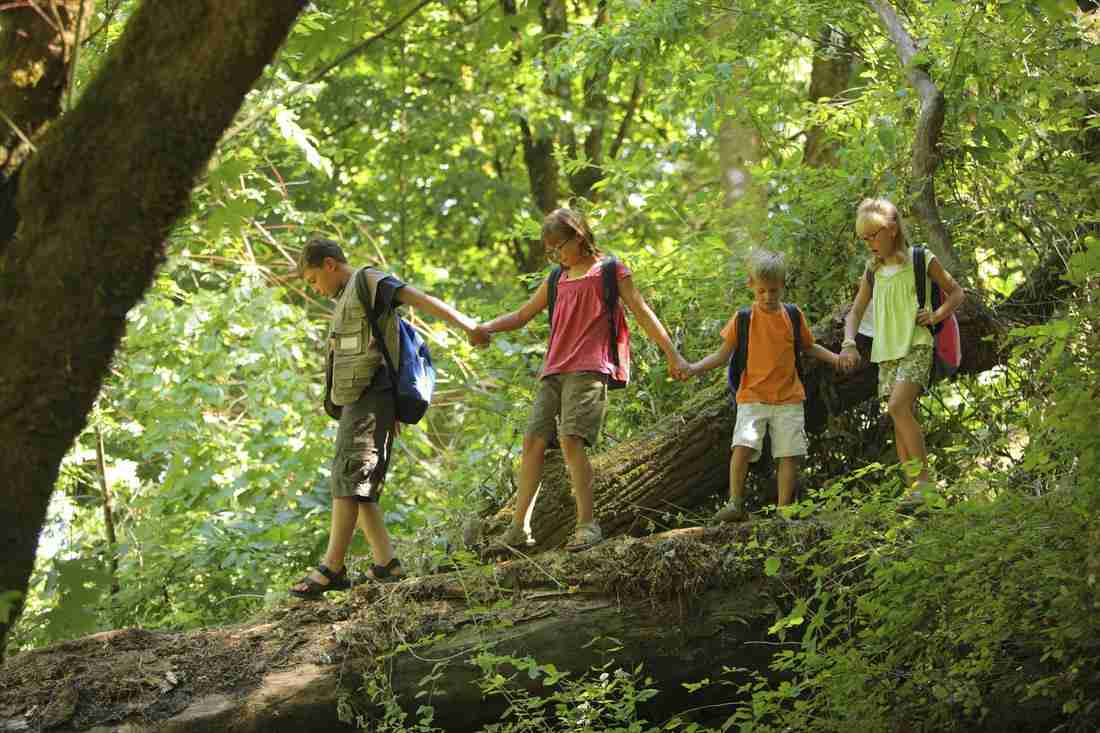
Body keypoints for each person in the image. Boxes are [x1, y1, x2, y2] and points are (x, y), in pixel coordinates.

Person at [474, 208, 690, 552]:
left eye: (558, 247)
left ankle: (587, 524)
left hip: (591, 366)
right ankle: (519, 528)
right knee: (532, 442)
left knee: (571, 440)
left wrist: (672, 355)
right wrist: (485, 327)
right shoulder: (556, 279)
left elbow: (641, 311)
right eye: (550, 251)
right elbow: (521, 315)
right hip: (554, 370)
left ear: (578, 236)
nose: (555, 255)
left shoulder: (610, 270)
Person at [290, 238, 488, 598]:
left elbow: (419, 299)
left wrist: (468, 325)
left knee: (351, 475)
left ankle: (332, 567)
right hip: (358, 399)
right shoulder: (346, 297)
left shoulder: (368, 281)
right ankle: (386, 564)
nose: (316, 289)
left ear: (331, 264)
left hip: (372, 395)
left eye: (314, 279)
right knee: (354, 479)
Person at [683, 249, 840, 522]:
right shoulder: (743, 319)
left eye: (774, 291)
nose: (768, 297)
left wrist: (836, 359)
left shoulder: (792, 315)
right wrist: (693, 367)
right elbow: (722, 356)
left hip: (789, 397)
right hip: (752, 397)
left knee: (788, 453)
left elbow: (809, 346)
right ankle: (735, 503)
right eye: (762, 291)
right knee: (742, 447)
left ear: (783, 287)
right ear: (751, 286)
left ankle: (784, 510)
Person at [837, 198, 964, 502]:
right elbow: (855, 312)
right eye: (864, 238)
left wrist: (937, 315)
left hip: (917, 344)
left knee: (897, 406)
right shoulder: (873, 271)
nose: (869, 243)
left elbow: (957, 293)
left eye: (873, 235)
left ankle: (925, 485)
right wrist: (849, 342)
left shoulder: (921, 259)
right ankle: (914, 489)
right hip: (887, 352)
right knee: (899, 414)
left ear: (892, 229)